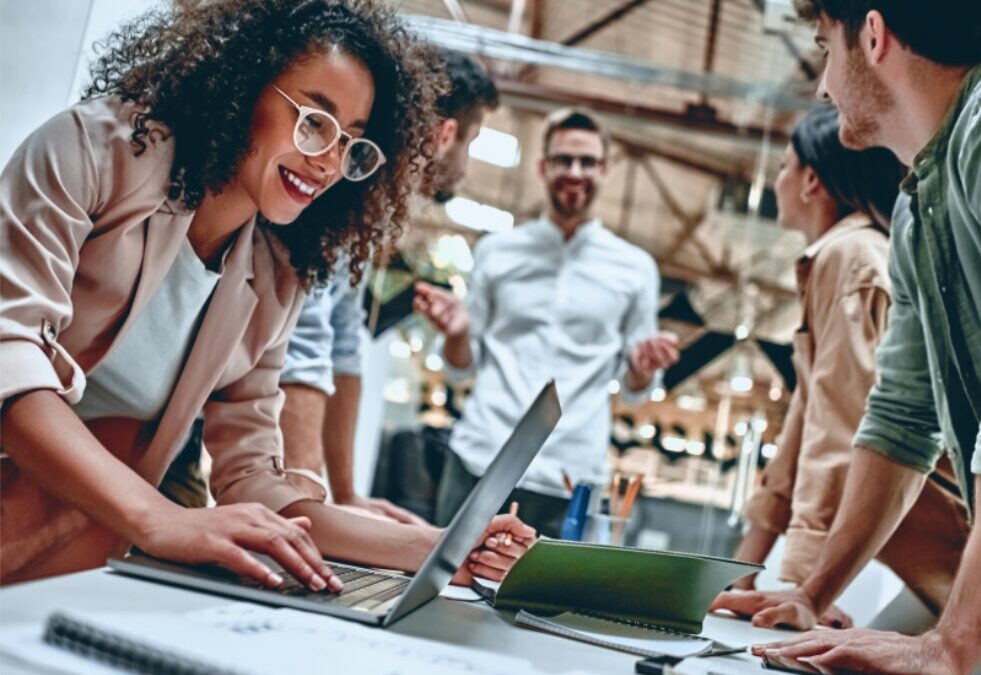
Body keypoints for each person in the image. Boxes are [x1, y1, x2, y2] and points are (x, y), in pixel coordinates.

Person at [0, 0, 532, 591]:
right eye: (314, 121)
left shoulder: (277, 273)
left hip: (72, 545)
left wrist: (441, 545)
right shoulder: (95, 151)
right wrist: (162, 519)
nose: (328, 162)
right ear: (243, 84)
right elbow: (9, 359)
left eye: (351, 143)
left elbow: (252, 477)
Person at [712, 2, 981, 673]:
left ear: (872, 34)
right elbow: (898, 419)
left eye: (824, 46)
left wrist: (954, 644)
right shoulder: (919, 213)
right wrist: (807, 593)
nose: (821, 86)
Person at [414, 108, 681, 537]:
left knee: (547, 602)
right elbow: (461, 365)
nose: (575, 172)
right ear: (542, 166)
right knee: (447, 589)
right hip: (482, 458)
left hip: (571, 473)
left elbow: (636, 392)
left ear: (605, 169)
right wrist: (459, 333)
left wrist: (642, 368)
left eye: (588, 162)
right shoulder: (497, 252)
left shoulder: (636, 269)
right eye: (563, 160)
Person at [276, 50, 499, 524]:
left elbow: (342, 344)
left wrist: (345, 495)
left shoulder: (374, 208)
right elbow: (306, 343)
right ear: (445, 135)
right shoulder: (345, 185)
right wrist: (309, 508)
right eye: (472, 141)